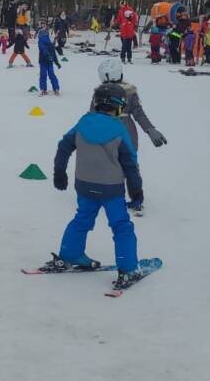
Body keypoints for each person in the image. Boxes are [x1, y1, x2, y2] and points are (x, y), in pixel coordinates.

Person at [52, 83, 145, 290]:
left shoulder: (83, 122)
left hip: (84, 186)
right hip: (111, 189)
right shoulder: (119, 129)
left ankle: (70, 254)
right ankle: (129, 268)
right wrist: (136, 191)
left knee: (82, 219)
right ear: (119, 106)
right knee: (121, 226)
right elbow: (130, 162)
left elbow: (64, 146)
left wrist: (60, 172)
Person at [92, 58, 166, 209]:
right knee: (127, 166)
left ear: (106, 76)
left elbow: (92, 115)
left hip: (109, 135)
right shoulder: (129, 91)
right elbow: (138, 114)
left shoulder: (102, 93)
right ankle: (126, 196)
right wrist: (150, 129)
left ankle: (126, 196)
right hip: (126, 133)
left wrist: (150, 129)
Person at [37, 28, 61, 95]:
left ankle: (55, 88)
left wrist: (57, 63)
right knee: (46, 74)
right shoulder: (41, 43)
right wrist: (49, 56)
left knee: (48, 75)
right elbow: (43, 49)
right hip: (44, 62)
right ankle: (44, 89)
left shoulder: (49, 43)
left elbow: (53, 54)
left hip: (46, 62)